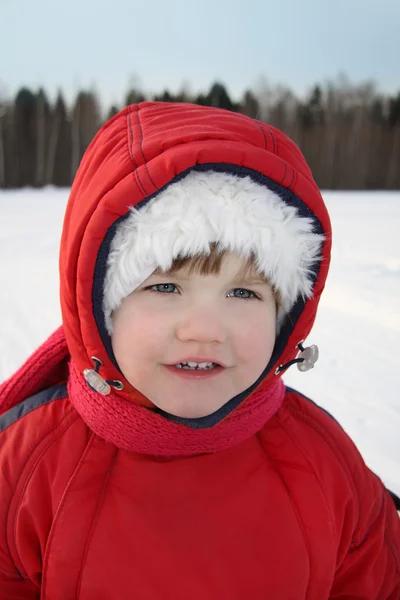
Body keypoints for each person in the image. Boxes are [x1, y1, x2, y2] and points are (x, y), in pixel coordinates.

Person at [0, 101, 399, 599]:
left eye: (243, 293)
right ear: (99, 307)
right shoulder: (22, 471)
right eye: (165, 288)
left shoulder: (326, 466)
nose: (205, 331)